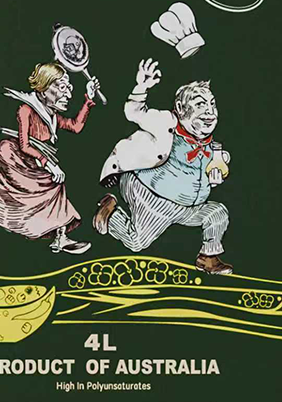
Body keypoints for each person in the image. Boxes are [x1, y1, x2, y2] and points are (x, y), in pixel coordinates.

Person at [93, 58, 233, 274]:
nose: (210, 112)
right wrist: (141, 87)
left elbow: (219, 166)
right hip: (151, 194)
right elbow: (134, 113)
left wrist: (217, 175)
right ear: (180, 108)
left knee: (217, 214)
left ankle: (208, 258)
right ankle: (109, 214)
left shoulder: (212, 146)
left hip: (187, 207)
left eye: (212, 104)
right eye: (200, 104)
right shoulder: (166, 122)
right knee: (136, 242)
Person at [0, 61, 102, 253]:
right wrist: (50, 164)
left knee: (54, 187)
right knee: (12, 197)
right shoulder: (26, 110)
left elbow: (76, 126)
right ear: (44, 88)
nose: (68, 95)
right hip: (17, 160)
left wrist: (88, 99)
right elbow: (25, 145)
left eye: (69, 88)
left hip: (36, 163)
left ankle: (61, 237)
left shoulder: (53, 116)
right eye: (62, 88)